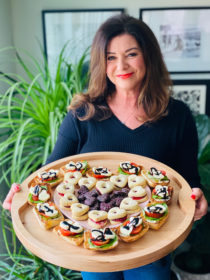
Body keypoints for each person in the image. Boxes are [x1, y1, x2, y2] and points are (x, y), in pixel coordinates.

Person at [3, 14, 208, 280]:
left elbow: (188, 180)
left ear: (149, 56)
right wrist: (22, 190)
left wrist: (197, 198)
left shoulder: (178, 116)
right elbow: (50, 172)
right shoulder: (81, 114)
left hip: (150, 250)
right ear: (102, 62)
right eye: (110, 57)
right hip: (94, 250)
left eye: (131, 54)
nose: (121, 65)